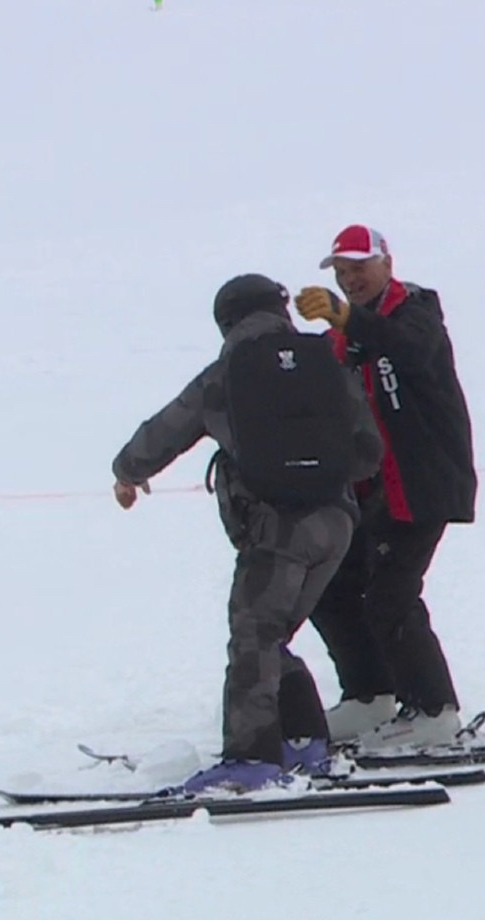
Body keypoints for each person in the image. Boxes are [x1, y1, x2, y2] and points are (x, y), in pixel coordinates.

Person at [112, 275, 384, 793]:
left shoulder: (228, 374)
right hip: (337, 524)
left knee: (253, 637)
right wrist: (318, 474)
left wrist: (127, 472)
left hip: (277, 528)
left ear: (226, 322)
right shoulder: (325, 363)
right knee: (270, 636)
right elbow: (368, 449)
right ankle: (304, 742)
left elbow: (167, 430)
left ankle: (251, 757)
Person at [294, 226, 477, 749]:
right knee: (333, 586)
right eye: (342, 272)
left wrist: (345, 317)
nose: (351, 279)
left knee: (390, 594)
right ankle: (370, 695)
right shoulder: (345, 334)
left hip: (422, 484)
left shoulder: (415, 314)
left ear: (387, 264)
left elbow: (409, 347)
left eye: (360, 267)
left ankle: (434, 709)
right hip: (369, 490)